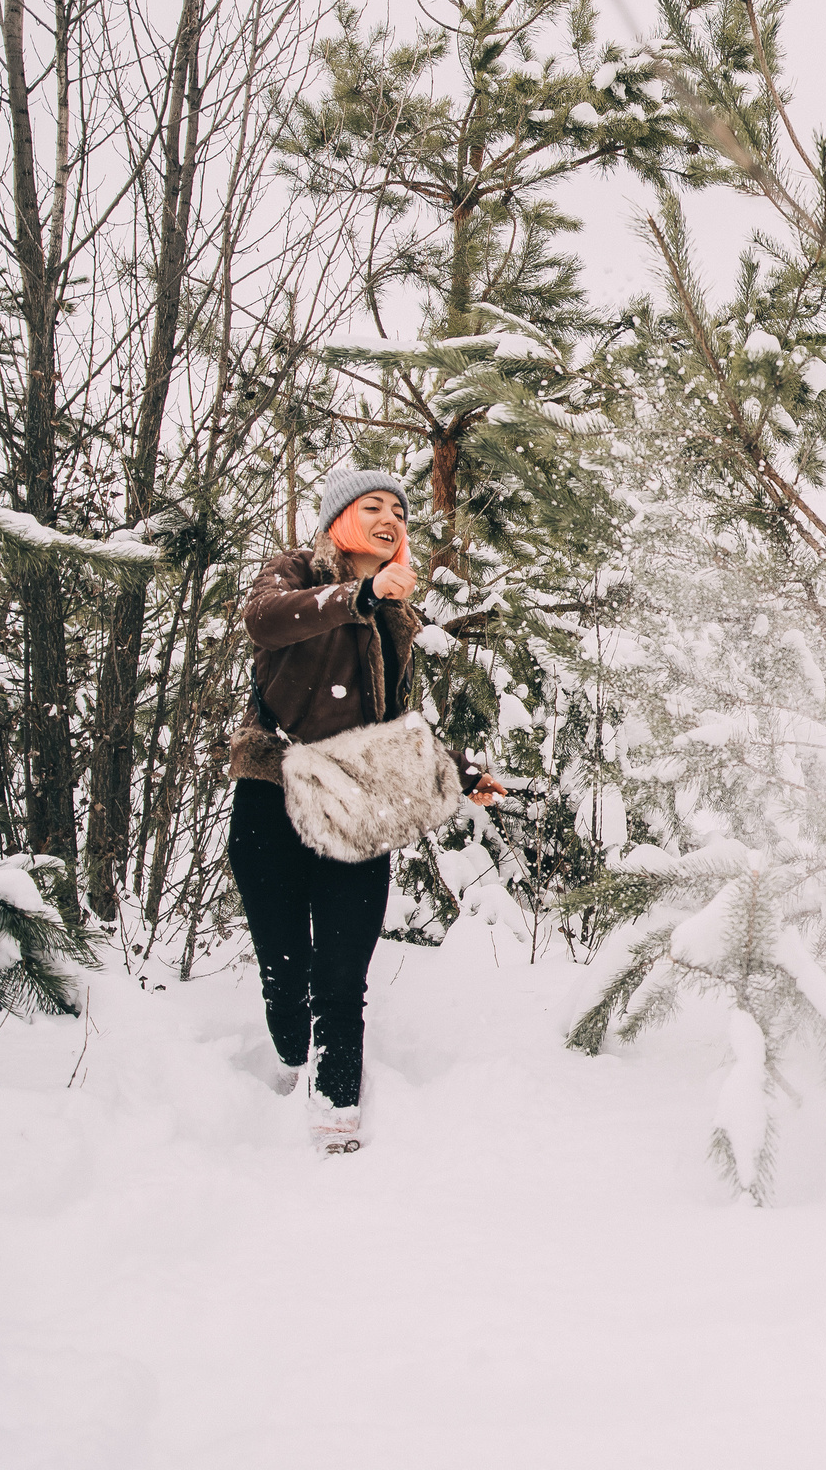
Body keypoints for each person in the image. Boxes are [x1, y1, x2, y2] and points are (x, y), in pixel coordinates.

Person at [227, 469, 503, 1153]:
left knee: (342, 973)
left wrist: (460, 773)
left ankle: (337, 1103)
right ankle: (290, 1056)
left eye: (398, 512)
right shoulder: (292, 576)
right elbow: (263, 623)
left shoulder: (395, 618)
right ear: (338, 520)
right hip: (274, 791)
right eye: (372, 506)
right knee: (284, 973)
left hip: (355, 806)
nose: (390, 519)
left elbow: (391, 724)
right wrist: (356, 595)